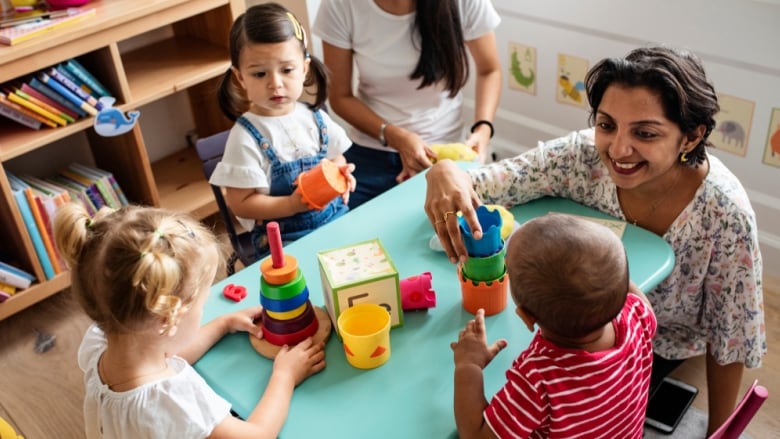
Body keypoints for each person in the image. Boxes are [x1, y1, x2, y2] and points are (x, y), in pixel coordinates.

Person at [425, 46, 765, 434]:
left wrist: (720, 432)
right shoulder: (580, 157)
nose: (618, 150)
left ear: (691, 136)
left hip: (658, 347)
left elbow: (731, 338)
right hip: (589, 329)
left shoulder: (725, 213)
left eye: (645, 133)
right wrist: (446, 170)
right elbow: (488, 183)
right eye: (606, 125)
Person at [53, 203, 326, 439]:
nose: (204, 309)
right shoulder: (173, 400)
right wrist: (285, 376)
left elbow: (166, 353)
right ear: (167, 319)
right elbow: (257, 435)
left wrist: (222, 324)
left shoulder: (99, 342)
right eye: (202, 304)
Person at [452, 214, 657, 438]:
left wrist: (469, 365)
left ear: (527, 317)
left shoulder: (539, 377)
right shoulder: (638, 316)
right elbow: (628, 292)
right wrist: (603, 274)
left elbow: (475, 434)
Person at [312, 0, 502, 209]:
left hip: (445, 152)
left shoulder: (464, 3)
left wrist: (483, 129)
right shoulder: (340, 5)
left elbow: (489, 70)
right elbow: (340, 96)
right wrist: (396, 137)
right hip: (371, 152)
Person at [212, 3, 356, 259]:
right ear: (240, 78)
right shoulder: (245, 137)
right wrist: (291, 205)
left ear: (304, 68)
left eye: (287, 70)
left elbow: (336, 158)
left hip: (336, 219)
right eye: (259, 74)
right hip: (284, 240)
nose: (275, 84)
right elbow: (240, 203)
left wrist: (340, 175)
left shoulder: (315, 118)